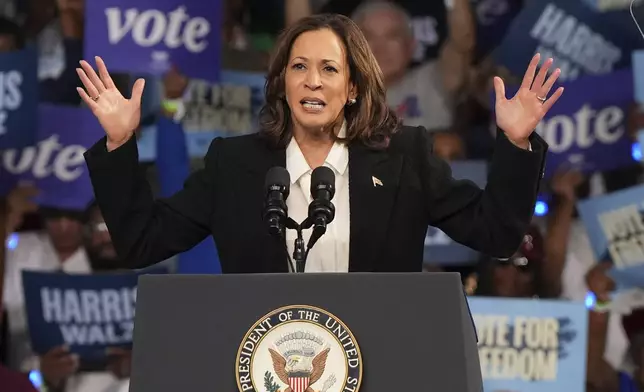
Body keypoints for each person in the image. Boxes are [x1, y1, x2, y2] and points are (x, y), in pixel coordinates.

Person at [77, 14, 561, 274]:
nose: (312, 81)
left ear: (352, 88)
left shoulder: (403, 159)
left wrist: (516, 142)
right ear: (282, 82)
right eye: (299, 67)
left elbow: (497, 236)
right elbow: (141, 242)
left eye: (329, 69)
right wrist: (120, 142)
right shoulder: (235, 164)